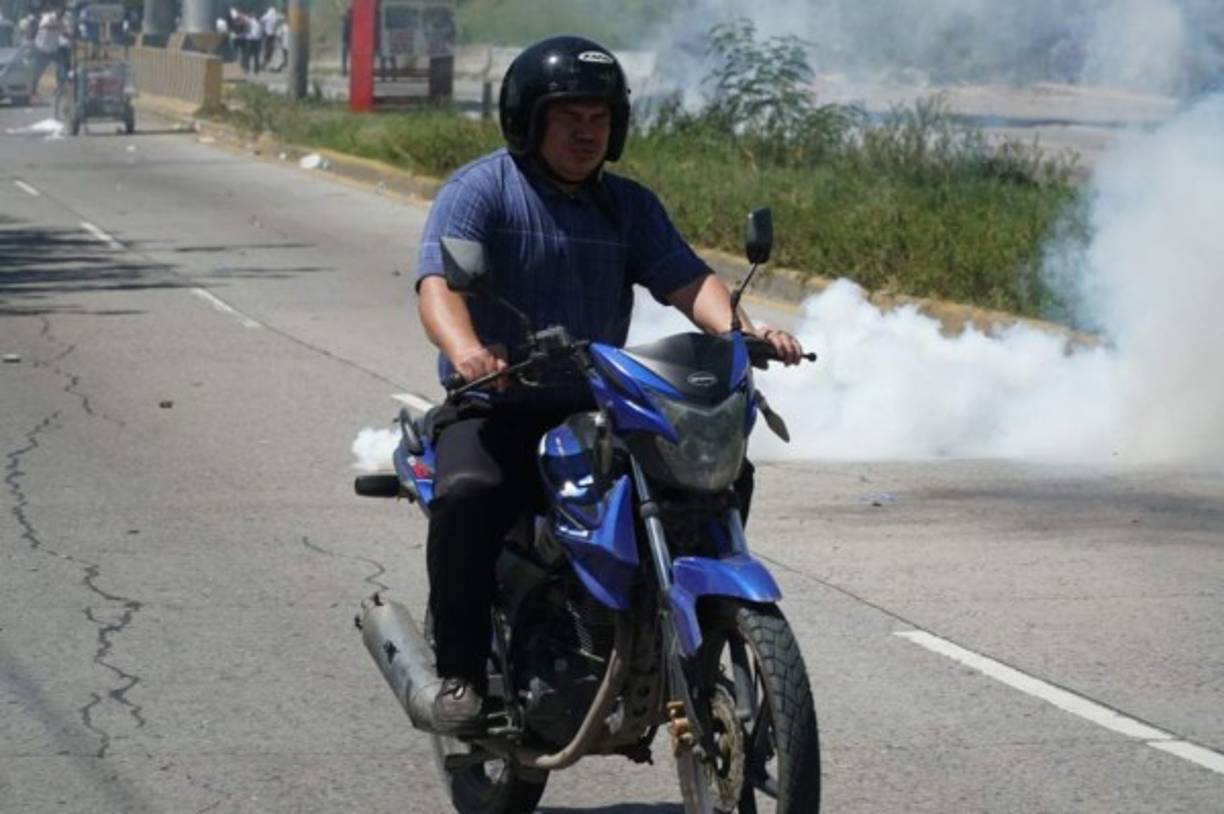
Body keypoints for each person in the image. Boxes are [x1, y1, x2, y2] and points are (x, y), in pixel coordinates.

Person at [414, 35, 804, 735]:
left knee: (713, 478)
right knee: (468, 495)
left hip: (598, 406)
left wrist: (741, 332)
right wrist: (468, 351)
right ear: (529, 121)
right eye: (569, 118)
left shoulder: (627, 205)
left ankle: (675, 623)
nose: (586, 132)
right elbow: (438, 286)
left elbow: (687, 280)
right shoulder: (482, 190)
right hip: (501, 401)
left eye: (599, 118)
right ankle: (463, 672)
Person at [339, 4, 351, 76]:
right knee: (344, 58)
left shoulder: (349, 20)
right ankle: (344, 70)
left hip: (348, 41)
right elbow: (342, 15)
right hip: (345, 41)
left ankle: (345, 70)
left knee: (346, 57)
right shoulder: (346, 19)